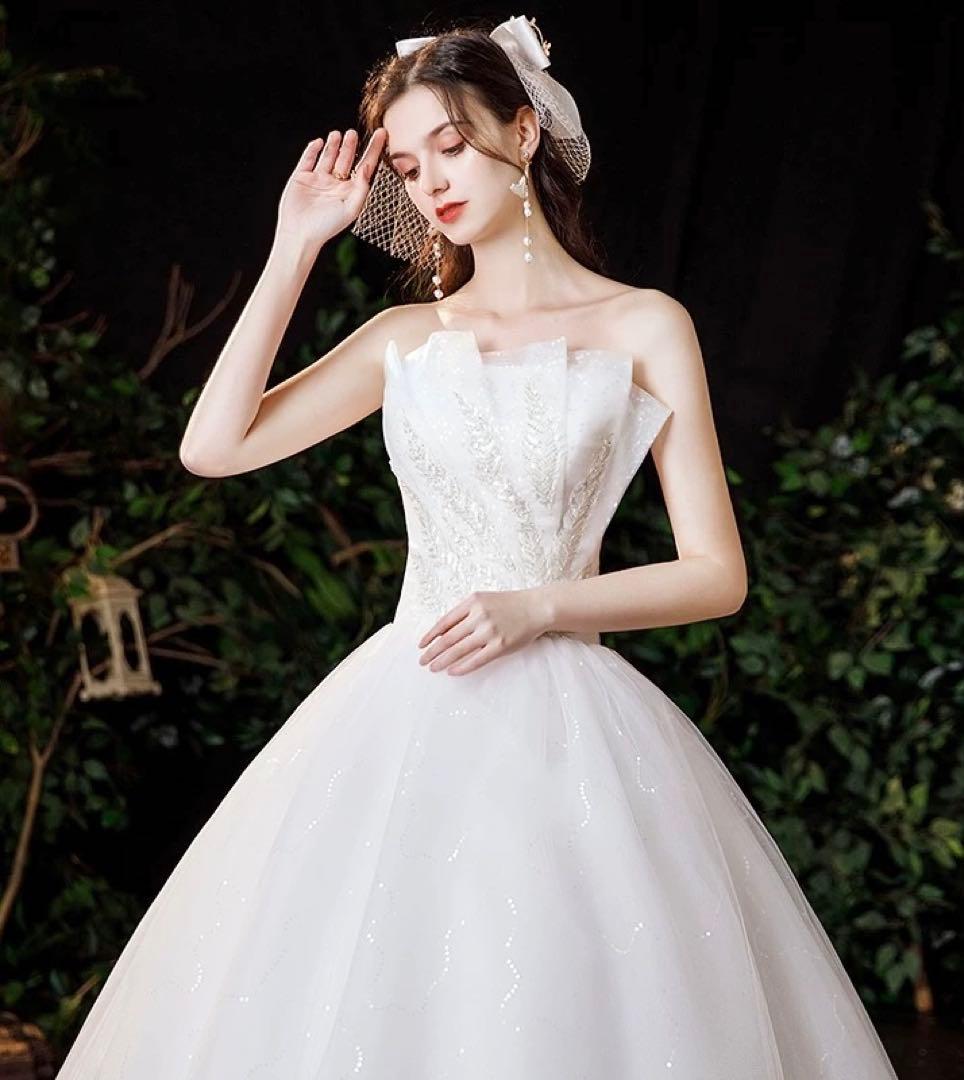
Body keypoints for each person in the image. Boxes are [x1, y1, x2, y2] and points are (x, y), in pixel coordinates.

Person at [57, 14, 901, 1079]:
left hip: (576, 730)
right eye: (409, 168)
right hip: (403, 707)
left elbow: (716, 575)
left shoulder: (645, 325)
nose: (432, 185)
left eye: (451, 147)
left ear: (524, 131)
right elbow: (212, 447)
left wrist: (538, 607)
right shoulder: (407, 339)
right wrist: (294, 247)